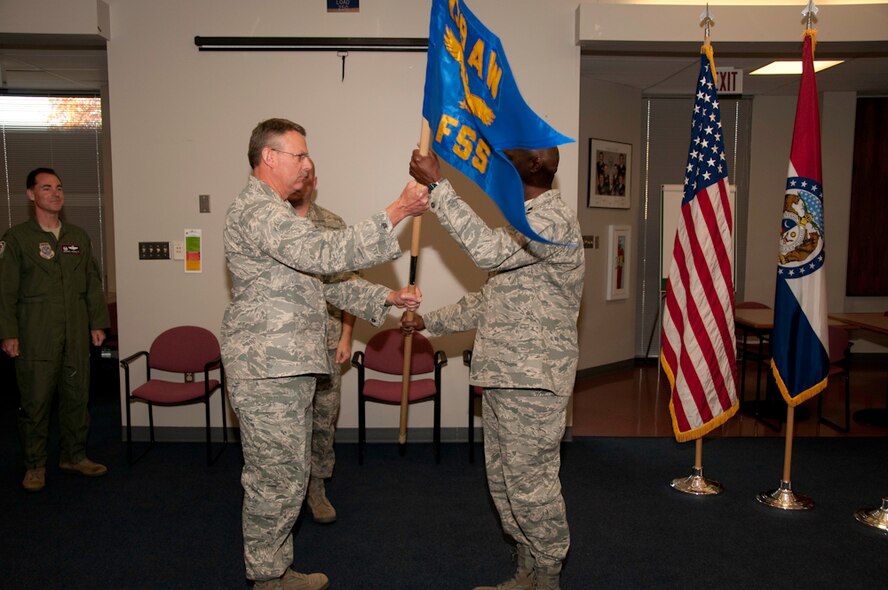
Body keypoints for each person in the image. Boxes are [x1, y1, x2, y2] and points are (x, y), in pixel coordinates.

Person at [222, 118, 429, 590]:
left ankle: (276, 566)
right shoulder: (258, 211)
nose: (308, 164)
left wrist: (386, 300)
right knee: (274, 480)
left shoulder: (275, 212)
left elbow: (325, 282)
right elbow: (326, 251)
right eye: (299, 155)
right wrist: (397, 209)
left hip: (287, 365)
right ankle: (268, 577)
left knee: (290, 474)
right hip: (267, 368)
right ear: (269, 157)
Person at [403, 147, 584, 590]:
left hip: (533, 382)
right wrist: (430, 321)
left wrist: (438, 185)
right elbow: (490, 300)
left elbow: (484, 251)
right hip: (505, 377)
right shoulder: (521, 221)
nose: (505, 155)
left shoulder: (550, 220)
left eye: (518, 151)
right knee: (505, 486)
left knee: (532, 489)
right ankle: (525, 570)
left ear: (536, 166)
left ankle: (547, 577)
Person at [0, 167, 110, 493]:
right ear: (31, 195)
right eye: (46, 188)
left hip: (75, 330)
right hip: (36, 332)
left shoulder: (77, 237)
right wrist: (8, 333)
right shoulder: (16, 239)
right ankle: (35, 465)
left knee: (77, 396)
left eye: (59, 187)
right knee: (36, 401)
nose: (55, 193)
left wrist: (97, 322)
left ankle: (74, 455)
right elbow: (5, 291)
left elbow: (92, 283)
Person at [286, 162, 354, 524]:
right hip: (284, 348)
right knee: (290, 424)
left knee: (323, 420)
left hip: (326, 344)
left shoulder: (333, 224)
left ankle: (317, 486)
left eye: (308, 177)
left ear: (315, 183)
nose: (303, 182)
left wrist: (345, 336)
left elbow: (349, 288)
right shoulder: (273, 222)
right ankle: (288, 490)